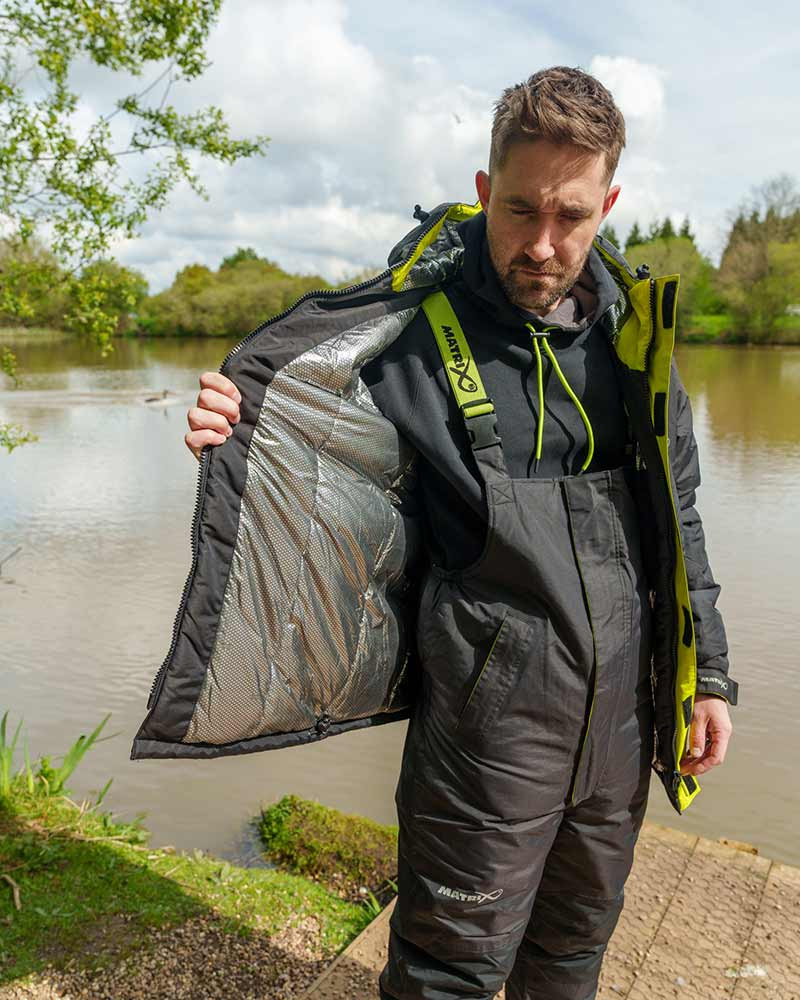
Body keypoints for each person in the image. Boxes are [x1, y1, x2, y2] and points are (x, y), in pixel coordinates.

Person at [149, 67, 738, 1000]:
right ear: (482, 190)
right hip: (483, 735)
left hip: (626, 722)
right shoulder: (407, 333)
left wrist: (708, 678)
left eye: (571, 216)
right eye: (520, 209)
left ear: (609, 204)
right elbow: (303, 439)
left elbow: (681, 517)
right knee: (445, 975)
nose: (542, 244)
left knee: (572, 962)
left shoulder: (636, 338)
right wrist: (239, 425)